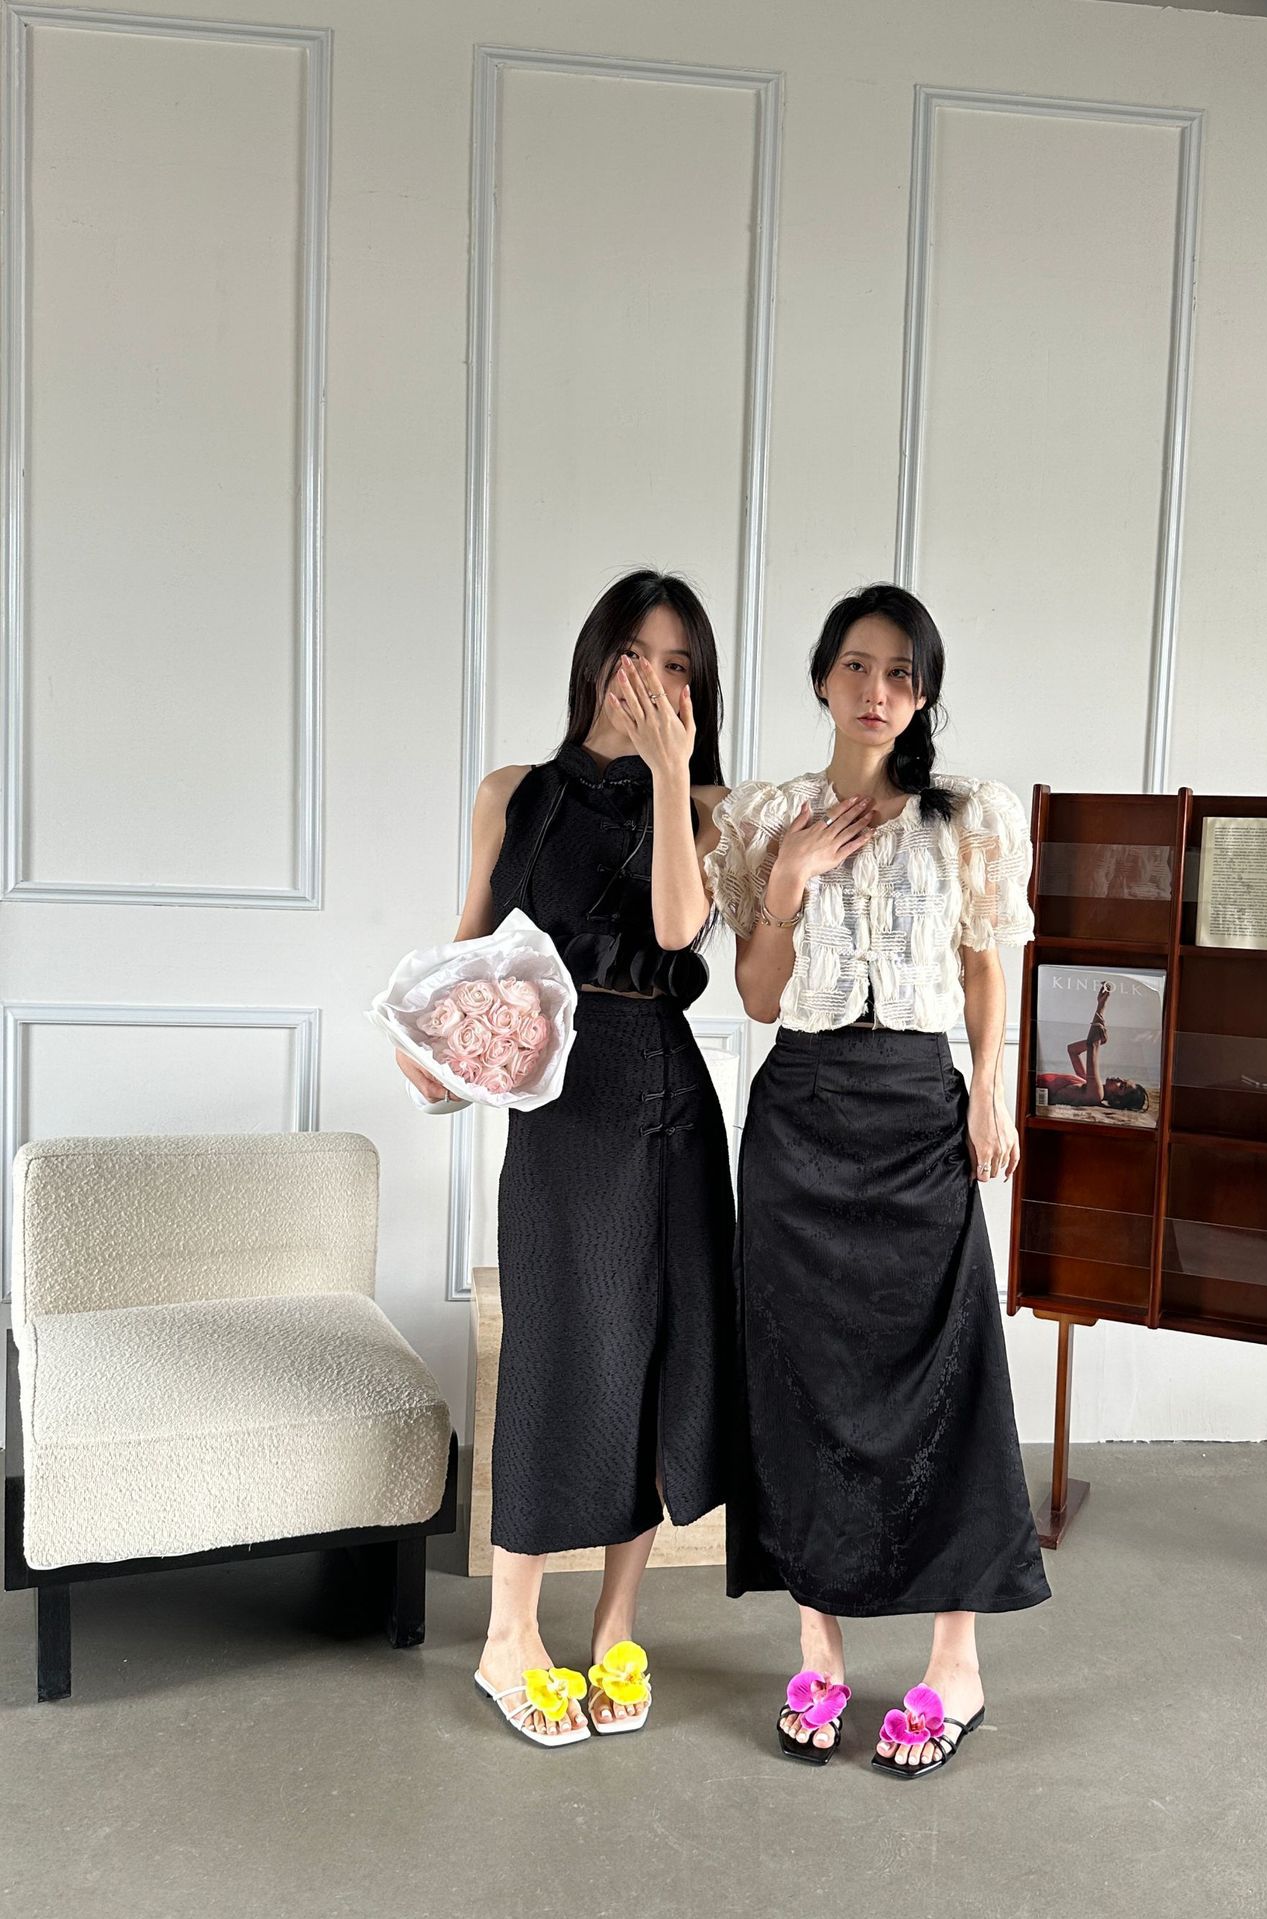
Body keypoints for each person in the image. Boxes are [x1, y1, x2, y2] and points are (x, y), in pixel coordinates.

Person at [703, 582, 1050, 1780]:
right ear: (822, 678)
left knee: (949, 1370)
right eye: (857, 664)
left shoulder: (969, 816)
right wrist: (788, 880)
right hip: (799, 1116)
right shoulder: (768, 816)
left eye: (902, 672)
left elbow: (985, 964)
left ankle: (956, 1660)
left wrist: (991, 1091)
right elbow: (758, 997)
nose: (877, 688)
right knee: (801, 1379)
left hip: (918, 1112)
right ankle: (820, 1648)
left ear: (923, 693)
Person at [397, 569, 735, 1748]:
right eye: (638, 653)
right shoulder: (515, 792)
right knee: (554, 1348)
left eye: (682, 664)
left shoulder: (710, 806)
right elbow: (466, 951)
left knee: (659, 1354)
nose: (656, 679)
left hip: (669, 1094)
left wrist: (671, 778)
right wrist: (426, 1044)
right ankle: (509, 1633)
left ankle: (616, 1626)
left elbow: (681, 929)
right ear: (597, 658)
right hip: (559, 1101)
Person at [1035, 980, 1149, 1113]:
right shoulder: (1088, 1083)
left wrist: (1101, 1006)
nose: (1118, 1079)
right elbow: (1072, 1050)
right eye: (1123, 1080)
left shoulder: (1095, 1094)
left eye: (1121, 1086)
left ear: (1116, 1100)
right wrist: (1099, 1041)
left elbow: (1091, 1045)